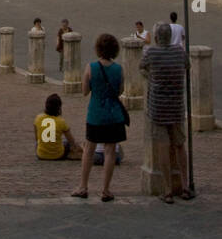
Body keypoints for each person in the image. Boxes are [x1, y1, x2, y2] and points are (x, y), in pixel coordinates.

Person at [140, 22, 193, 203]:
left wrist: (152, 76)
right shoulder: (179, 52)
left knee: (163, 147)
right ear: (170, 36)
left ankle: (168, 189)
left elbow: (142, 67)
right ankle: (185, 186)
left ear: (156, 38)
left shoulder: (152, 53)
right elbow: (187, 66)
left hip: (158, 108)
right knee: (179, 145)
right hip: (177, 106)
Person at [71, 33, 127, 201]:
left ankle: (83, 186)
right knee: (110, 152)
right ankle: (106, 190)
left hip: (95, 113)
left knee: (89, 150)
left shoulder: (91, 67)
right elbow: (120, 91)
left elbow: (84, 91)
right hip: (113, 115)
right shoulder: (118, 69)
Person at [34, 93, 79, 160]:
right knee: (66, 143)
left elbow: (37, 139)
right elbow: (71, 141)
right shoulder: (61, 121)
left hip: (41, 154)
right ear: (59, 107)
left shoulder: (38, 118)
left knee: (38, 144)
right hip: (58, 155)